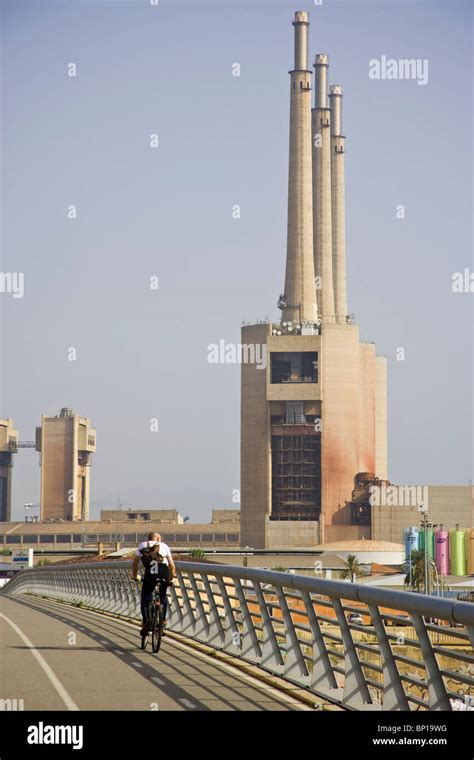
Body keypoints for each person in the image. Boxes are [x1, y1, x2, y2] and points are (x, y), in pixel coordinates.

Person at [131, 531, 176, 636]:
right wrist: (171, 578)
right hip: (163, 572)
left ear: (149, 538)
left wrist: (134, 575)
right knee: (163, 595)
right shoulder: (164, 546)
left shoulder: (142, 545)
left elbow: (135, 564)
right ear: (158, 539)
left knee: (145, 596)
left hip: (150, 573)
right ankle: (163, 620)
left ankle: (146, 621)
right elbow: (172, 566)